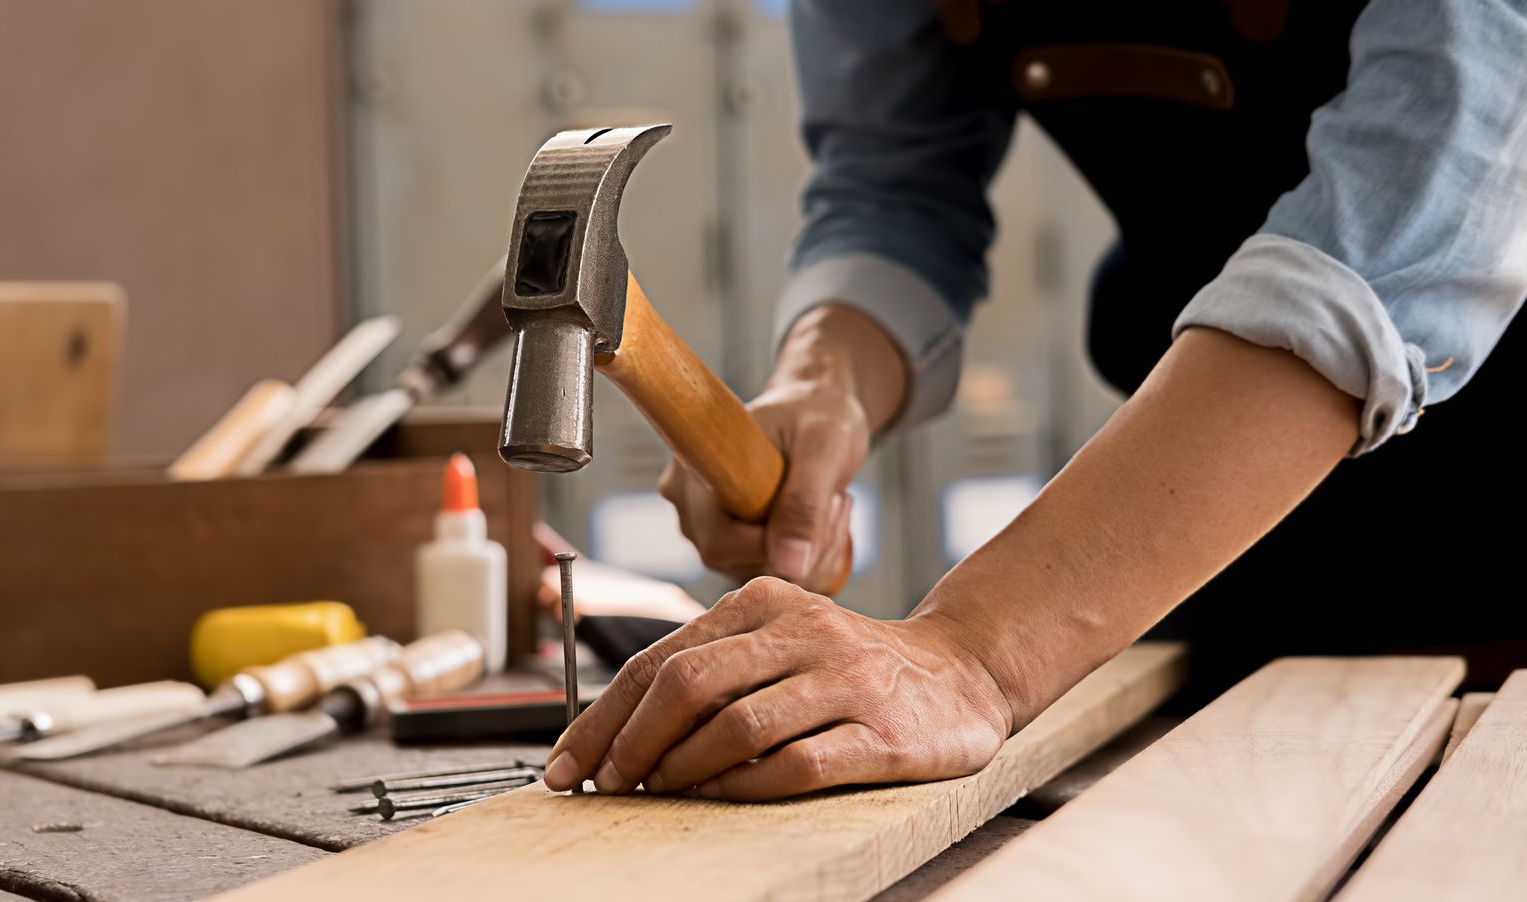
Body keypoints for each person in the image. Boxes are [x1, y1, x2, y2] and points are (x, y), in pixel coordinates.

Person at [543, 0, 1527, 801]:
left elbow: (1403, 232)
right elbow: (894, 188)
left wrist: (972, 648)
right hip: (1194, 527)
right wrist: (824, 380)